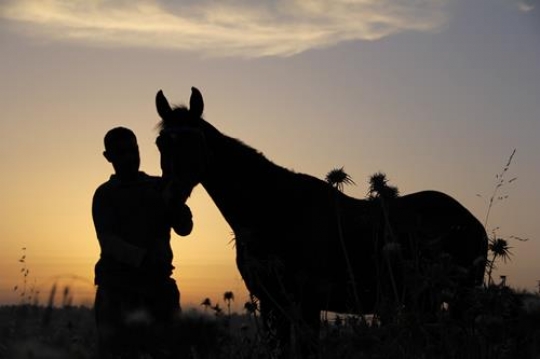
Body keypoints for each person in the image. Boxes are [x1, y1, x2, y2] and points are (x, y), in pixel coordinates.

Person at [92, 127, 193, 358]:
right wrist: (144, 259)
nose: (129, 157)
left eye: (133, 150)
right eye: (121, 152)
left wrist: (173, 196)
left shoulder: (158, 187)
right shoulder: (105, 194)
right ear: (108, 157)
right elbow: (108, 241)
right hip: (118, 291)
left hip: (158, 290)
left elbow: (184, 228)